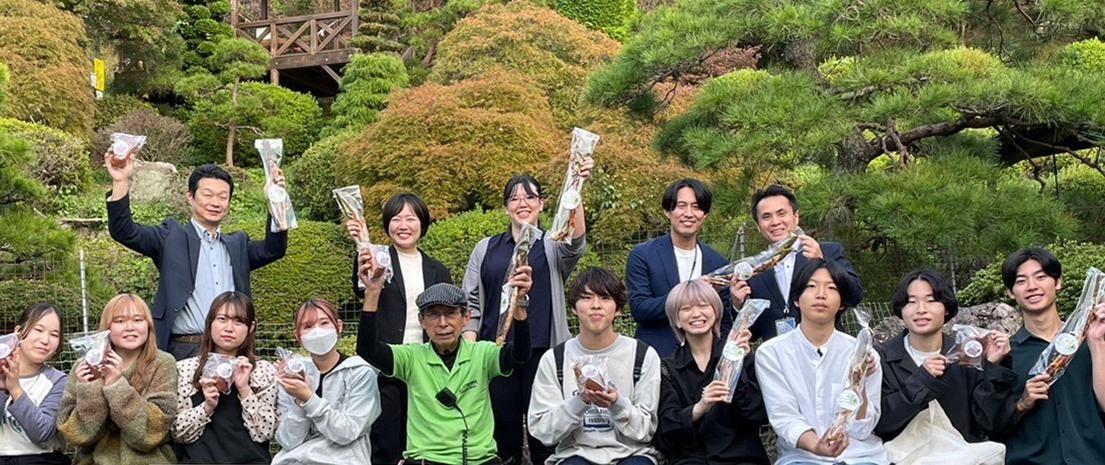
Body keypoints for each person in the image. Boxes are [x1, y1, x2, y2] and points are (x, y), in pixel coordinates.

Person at [104, 148, 288, 359]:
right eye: (208, 195)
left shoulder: (238, 245)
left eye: (223, 197)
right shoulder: (170, 237)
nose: (215, 202)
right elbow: (125, 232)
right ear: (190, 197)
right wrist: (120, 181)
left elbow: (273, 249)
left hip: (232, 350)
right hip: (184, 348)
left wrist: (275, 199)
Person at [461, 171, 590, 463]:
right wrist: (469, 350)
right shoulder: (486, 248)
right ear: (506, 207)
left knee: (545, 436)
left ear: (541, 204)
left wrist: (576, 187)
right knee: (502, 436)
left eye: (530, 197)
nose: (522, 203)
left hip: (543, 352)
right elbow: (471, 303)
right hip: (496, 354)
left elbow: (576, 241)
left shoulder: (552, 244)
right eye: (514, 198)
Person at [362, 250, 534, 465]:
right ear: (422, 321)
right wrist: (372, 293)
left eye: (451, 313)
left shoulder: (483, 354)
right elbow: (368, 349)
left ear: (466, 318)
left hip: (479, 459)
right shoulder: (411, 357)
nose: (442, 323)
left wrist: (519, 305)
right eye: (433, 314)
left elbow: (520, 355)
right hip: (426, 459)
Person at [349, 193, 453, 465]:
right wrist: (363, 246)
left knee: (424, 436)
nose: (403, 225)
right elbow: (363, 289)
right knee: (385, 437)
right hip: (387, 362)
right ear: (387, 224)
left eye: (411, 218)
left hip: (426, 365)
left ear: (422, 224)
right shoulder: (379, 259)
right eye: (396, 219)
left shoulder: (438, 270)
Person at [755, 259, 887, 465]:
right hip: (802, 457)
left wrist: (859, 382)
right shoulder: (771, 353)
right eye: (811, 286)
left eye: (831, 288)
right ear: (796, 299)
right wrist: (817, 446)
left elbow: (863, 430)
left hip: (859, 456)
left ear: (841, 302)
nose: (821, 294)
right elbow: (784, 416)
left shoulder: (863, 354)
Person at [874, 269, 1017, 459]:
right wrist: (921, 380)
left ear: (946, 308)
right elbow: (880, 424)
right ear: (901, 309)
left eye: (931, 300)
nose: (921, 309)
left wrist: (994, 367)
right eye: (911, 301)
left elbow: (990, 424)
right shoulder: (881, 357)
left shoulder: (966, 354)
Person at [528, 268, 662, 465]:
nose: (596, 305)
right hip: (574, 454)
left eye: (605, 298)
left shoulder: (643, 355)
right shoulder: (554, 359)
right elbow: (543, 431)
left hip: (632, 453)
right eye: (587, 298)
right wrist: (580, 401)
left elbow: (646, 429)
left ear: (618, 309)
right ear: (573, 308)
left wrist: (617, 404)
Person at [996, 248, 1105, 465]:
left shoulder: (1092, 340)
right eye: (1021, 281)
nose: (1032, 286)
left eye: (1041, 277)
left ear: (1058, 282)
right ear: (1010, 292)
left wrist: (1097, 344)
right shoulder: (1005, 355)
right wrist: (1022, 403)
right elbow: (992, 425)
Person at [655, 280, 770, 465]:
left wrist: (734, 368)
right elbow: (666, 434)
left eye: (703, 305)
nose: (696, 313)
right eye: (686, 308)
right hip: (691, 460)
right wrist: (699, 408)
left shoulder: (742, 356)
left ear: (716, 312)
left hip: (743, 458)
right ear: (676, 319)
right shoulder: (667, 369)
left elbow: (759, 416)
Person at [57, 294, 178, 465]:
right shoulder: (83, 366)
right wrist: (90, 389)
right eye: (120, 321)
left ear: (149, 325)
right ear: (107, 327)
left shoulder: (162, 363)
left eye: (138, 320)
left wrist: (116, 385)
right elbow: (78, 437)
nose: (130, 327)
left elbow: (151, 433)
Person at [627, 178, 734, 358]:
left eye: (696, 207)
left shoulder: (718, 263)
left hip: (705, 361)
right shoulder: (643, 255)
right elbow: (640, 308)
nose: (689, 213)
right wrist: (687, 294)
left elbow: (723, 319)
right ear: (668, 211)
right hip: (658, 358)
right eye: (681, 206)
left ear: (705, 215)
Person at [742, 184, 863, 341]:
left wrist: (823, 263)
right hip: (777, 354)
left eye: (781, 213)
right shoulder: (754, 270)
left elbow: (855, 296)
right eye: (766, 217)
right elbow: (752, 333)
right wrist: (739, 305)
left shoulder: (827, 252)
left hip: (825, 349)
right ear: (758, 226)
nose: (775, 222)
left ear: (796, 217)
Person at [172, 291, 278, 464]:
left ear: (251, 328)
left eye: (238, 321)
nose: (229, 328)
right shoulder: (185, 369)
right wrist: (207, 406)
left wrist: (245, 390)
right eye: (222, 319)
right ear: (210, 323)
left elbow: (265, 432)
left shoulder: (262, 370)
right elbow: (178, 433)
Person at [272, 299, 381, 465]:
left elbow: (347, 432)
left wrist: (309, 399)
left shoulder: (361, 373)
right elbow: (288, 441)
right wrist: (298, 401)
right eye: (308, 326)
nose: (317, 332)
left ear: (339, 326)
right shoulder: (291, 378)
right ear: (298, 336)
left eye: (324, 323)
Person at [0, 303, 69, 464]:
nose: (45, 340)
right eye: (38, 330)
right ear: (18, 332)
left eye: (54, 334)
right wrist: (2, 391)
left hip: (42, 459)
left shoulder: (59, 381)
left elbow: (42, 433)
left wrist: (15, 389)